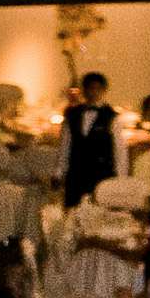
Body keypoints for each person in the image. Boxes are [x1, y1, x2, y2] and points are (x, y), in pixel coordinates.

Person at [58, 70, 126, 206]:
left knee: (98, 210)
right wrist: (59, 171)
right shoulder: (72, 114)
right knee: (73, 209)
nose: (93, 92)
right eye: (90, 88)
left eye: (97, 89)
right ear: (84, 90)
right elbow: (65, 145)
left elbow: (119, 149)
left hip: (101, 173)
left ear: (104, 90)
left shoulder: (112, 116)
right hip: (76, 171)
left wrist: (121, 178)